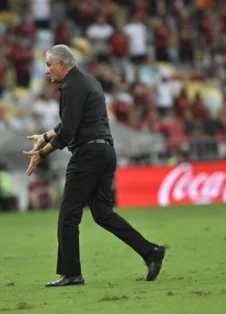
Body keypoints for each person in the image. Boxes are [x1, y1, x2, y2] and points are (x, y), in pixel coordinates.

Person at [23, 45, 165, 287]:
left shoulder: (70, 86)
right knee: (102, 213)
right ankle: (150, 251)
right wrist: (45, 137)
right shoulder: (89, 82)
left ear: (62, 65)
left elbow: (68, 131)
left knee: (68, 215)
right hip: (105, 151)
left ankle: (72, 274)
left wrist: (41, 154)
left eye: (48, 64)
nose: (46, 70)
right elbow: (70, 121)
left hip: (87, 154)